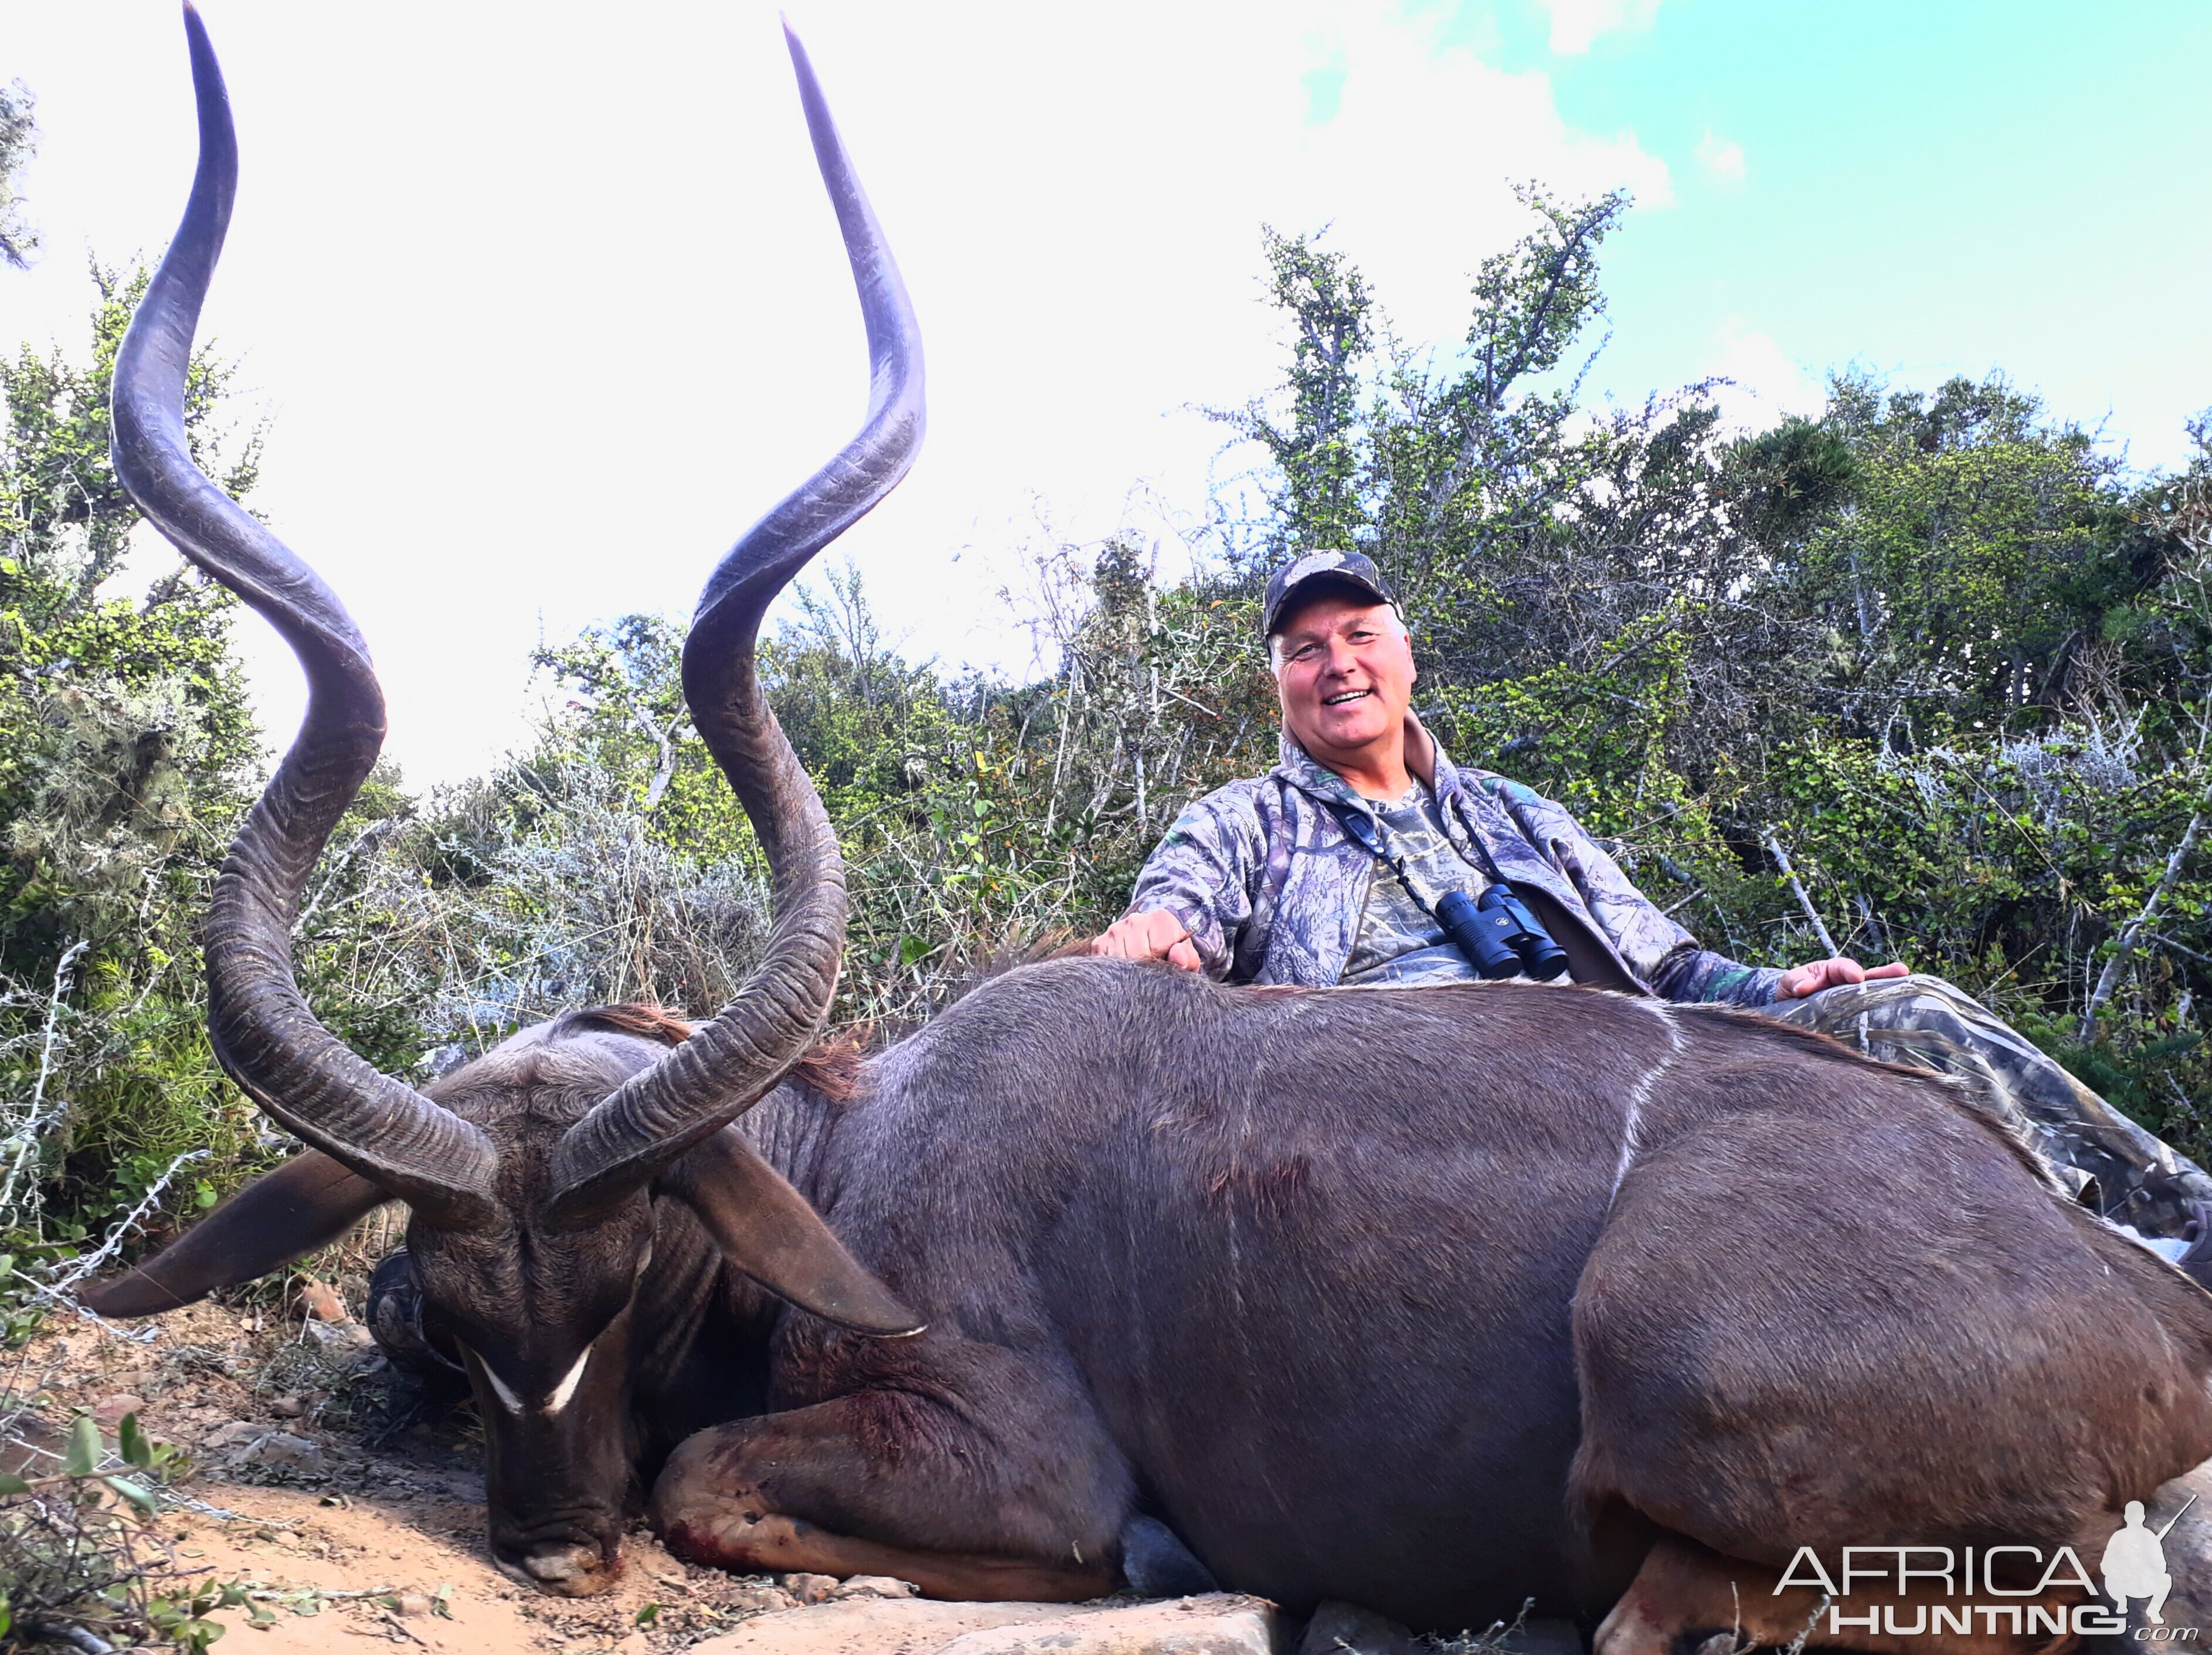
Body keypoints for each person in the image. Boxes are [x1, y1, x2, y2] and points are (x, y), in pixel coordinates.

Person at [1092, 548, 2212, 1260]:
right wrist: (1151, 942)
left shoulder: (1513, 811)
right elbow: (1170, 921)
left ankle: (2172, 1236)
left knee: (1905, 1014)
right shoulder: (1240, 820)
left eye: (1358, 635)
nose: (1336, 663)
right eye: (1304, 649)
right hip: (1418, 1110)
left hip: (1637, 1052)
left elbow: (1670, 969)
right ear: (1276, 684)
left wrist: (1775, 987)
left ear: (1406, 655)